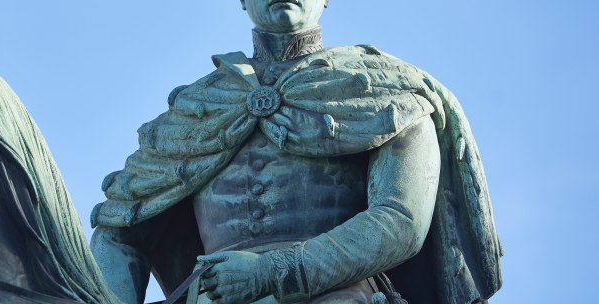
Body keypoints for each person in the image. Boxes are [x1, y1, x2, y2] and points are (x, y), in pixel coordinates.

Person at [90, 1, 501, 303]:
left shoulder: (384, 89)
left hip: (339, 296)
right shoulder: (199, 107)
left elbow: (401, 221)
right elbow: (119, 232)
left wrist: (273, 273)